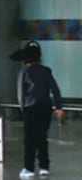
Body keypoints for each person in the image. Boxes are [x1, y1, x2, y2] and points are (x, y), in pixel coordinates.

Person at [11, 41, 64, 178]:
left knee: (29, 139)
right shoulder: (46, 70)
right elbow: (55, 89)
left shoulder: (24, 72)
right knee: (42, 137)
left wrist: (23, 108)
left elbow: (21, 94)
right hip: (45, 107)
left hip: (30, 108)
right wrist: (58, 107)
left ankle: (29, 169)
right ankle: (44, 167)